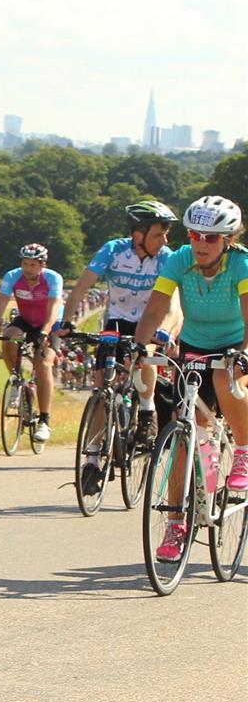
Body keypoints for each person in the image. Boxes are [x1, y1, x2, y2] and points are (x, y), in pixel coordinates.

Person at [136, 195, 248, 563]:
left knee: (224, 380)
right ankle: (175, 522)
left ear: (228, 240)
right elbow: (157, 306)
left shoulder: (242, 263)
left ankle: (244, 454)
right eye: (195, 234)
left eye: (211, 238)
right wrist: (140, 346)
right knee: (186, 433)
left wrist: (243, 354)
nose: (201, 244)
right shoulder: (179, 259)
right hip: (195, 344)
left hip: (235, 343)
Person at [56, 201, 178, 446]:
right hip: (117, 320)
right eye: (158, 235)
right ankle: (92, 453)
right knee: (103, 383)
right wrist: (67, 320)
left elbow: (174, 302)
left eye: (166, 234)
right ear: (138, 235)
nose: (164, 240)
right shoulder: (113, 250)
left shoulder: (167, 258)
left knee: (146, 353)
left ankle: (146, 410)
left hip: (149, 319)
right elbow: (82, 286)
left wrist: (166, 329)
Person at [0, 243, 63, 441]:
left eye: (32, 265)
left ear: (42, 265)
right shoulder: (12, 276)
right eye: (25, 264)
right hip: (26, 320)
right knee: (9, 335)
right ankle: (17, 382)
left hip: (50, 323)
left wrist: (45, 332)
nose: (28, 269)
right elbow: (0, 305)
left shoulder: (53, 278)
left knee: (43, 363)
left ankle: (44, 421)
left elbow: (54, 308)